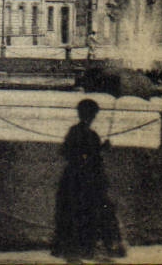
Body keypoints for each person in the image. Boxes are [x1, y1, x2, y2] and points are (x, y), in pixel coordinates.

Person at [51, 98, 126, 263]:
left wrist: (98, 150)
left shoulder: (75, 131)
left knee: (76, 215)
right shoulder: (89, 134)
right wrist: (99, 150)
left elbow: (67, 152)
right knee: (87, 215)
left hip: (73, 179)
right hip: (85, 181)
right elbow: (85, 157)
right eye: (93, 114)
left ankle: (77, 252)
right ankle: (85, 251)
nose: (93, 117)